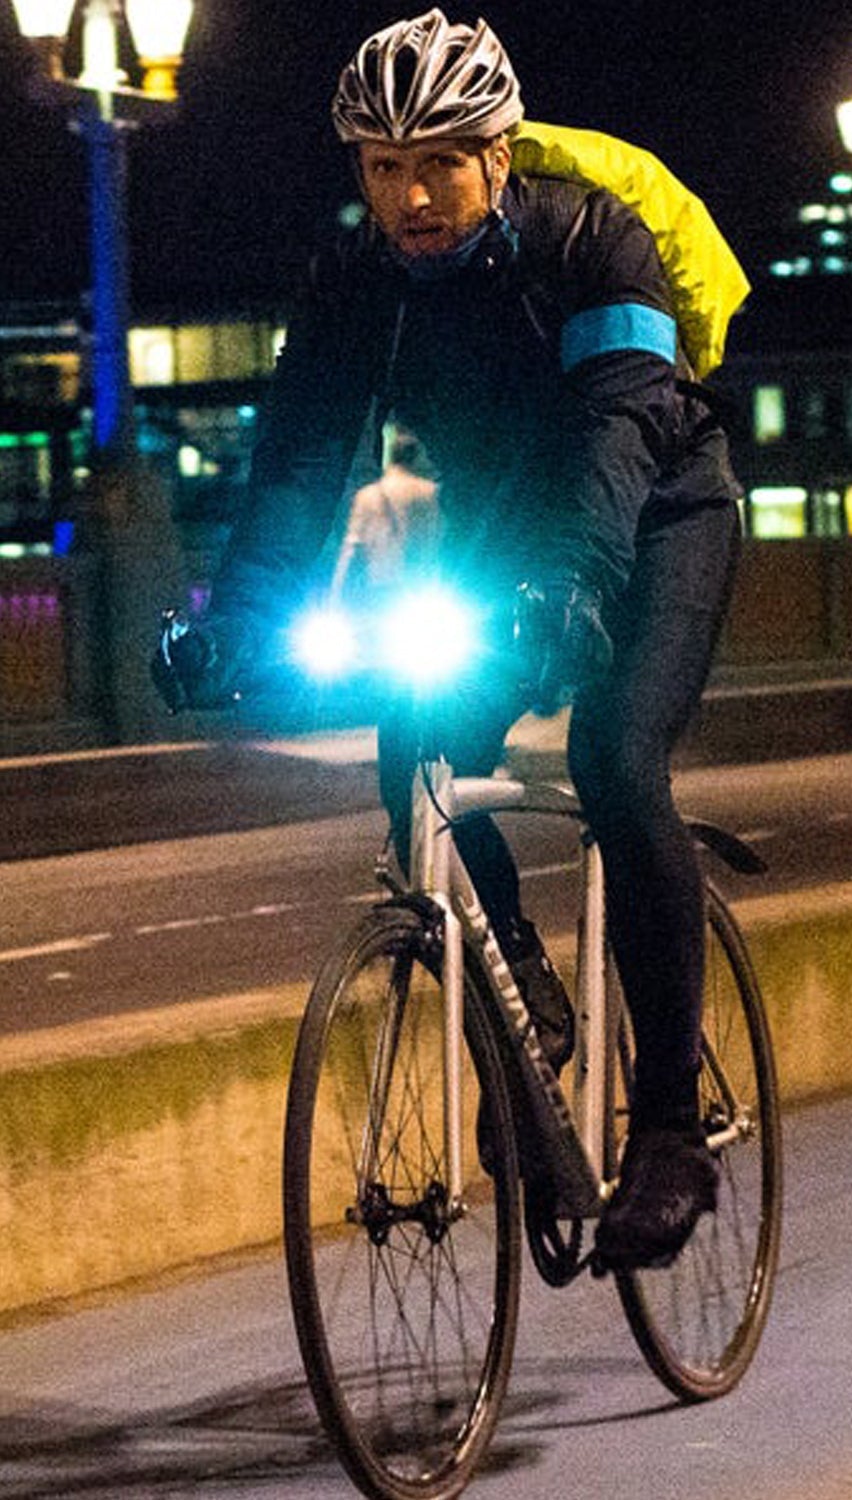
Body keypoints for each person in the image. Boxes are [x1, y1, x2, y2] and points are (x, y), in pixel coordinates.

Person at [151, 9, 743, 1271]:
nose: (412, 198)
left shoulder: (594, 241)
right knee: (411, 750)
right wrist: (234, 627)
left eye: (440, 165)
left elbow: (619, 432)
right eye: (382, 168)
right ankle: (517, 990)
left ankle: (671, 1135)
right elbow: (301, 465)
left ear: (499, 152)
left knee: (619, 765)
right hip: (508, 539)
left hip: (659, 516)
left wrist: (574, 585)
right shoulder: (358, 284)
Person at [329, 424, 440, 601]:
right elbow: (435, 545)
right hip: (415, 593)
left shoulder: (367, 495)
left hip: (376, 591)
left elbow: (351, 552)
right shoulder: (429, 493)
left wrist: (335, 598)